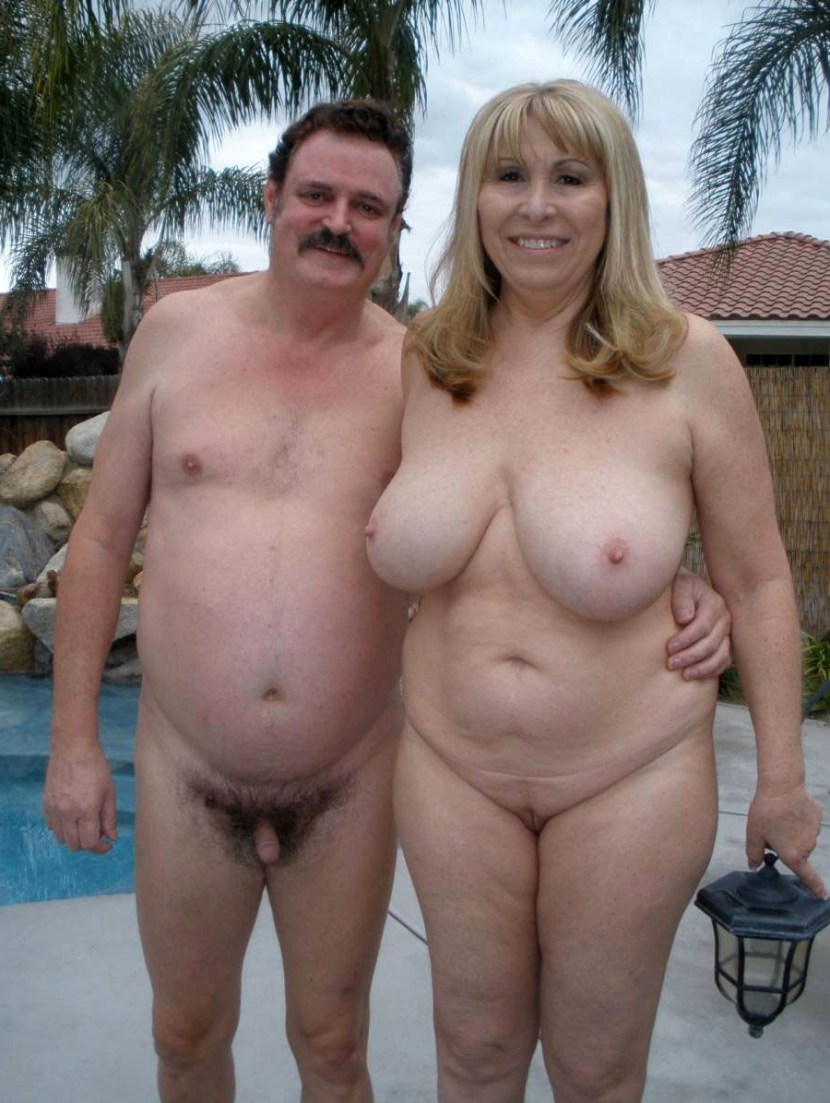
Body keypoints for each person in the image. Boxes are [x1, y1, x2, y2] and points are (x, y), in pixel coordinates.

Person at [43, 98, 730, 1103]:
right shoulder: (175, 335)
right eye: (315, 195)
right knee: (183, 1034)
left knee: (333, 1045)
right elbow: (100, 542)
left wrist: (678, 580)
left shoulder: (423, 367)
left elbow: (526, 489)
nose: (338, 222)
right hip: (185, 765)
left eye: (368, 208)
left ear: (397, 228)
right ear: (270, 197)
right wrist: (73, 742)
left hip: (350, 774)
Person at [365, 80, 826, 1103]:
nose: (536, 205)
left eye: (569, 178)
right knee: (472, 1057)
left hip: (629, 775)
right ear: (473, 197)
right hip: (450, 769)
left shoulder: (686, 361)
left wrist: (783, 782)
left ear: (613, 197)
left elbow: (756, 579)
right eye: (508, 175)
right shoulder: (427, 356)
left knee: (594, 1069)